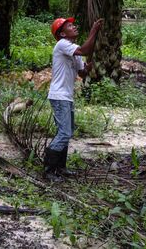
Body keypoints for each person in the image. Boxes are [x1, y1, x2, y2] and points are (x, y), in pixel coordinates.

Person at [44, 16, 103, 178]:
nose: (74, 27)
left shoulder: (73, 50)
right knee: (64, 133)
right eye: (70, 26)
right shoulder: (62, 45)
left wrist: (89, 67)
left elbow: (82, 73)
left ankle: (61, 168)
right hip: (59, 95)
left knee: (66, 133)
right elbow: (84, 50)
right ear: (62, 34)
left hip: (67, 96)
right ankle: (48, 170)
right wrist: (93, 31)